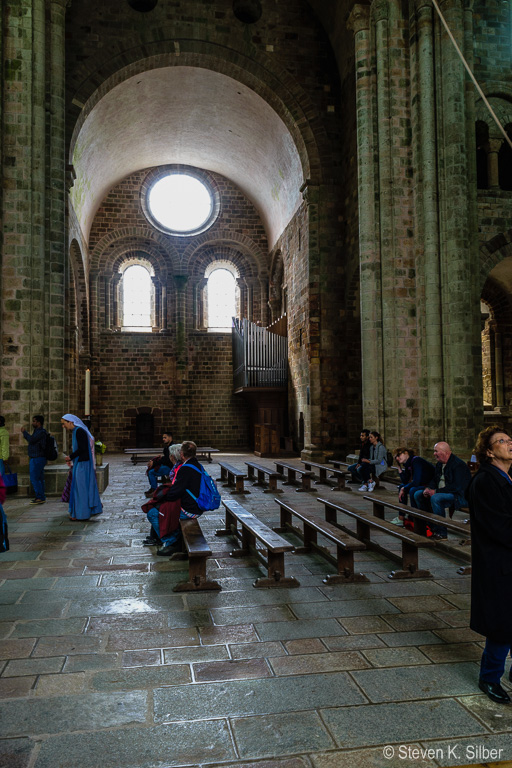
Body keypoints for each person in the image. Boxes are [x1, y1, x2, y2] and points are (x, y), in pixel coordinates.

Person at [467, 426, 512, 705]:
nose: (509, 444)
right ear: (488, 451)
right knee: (502, 624)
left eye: (510, 440)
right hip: (499, 563)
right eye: (502, 441)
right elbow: (500, 526)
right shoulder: (485, 481)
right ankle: (490, 677)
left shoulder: (506, 477)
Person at [153, 440, 204, 556]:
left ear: (181, 454)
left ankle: (172, 542)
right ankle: (173, 537)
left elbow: (175, 493)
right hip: (197, 506)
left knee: (156, 513)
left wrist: (166, 497)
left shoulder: (185, 469)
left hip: (190, 510)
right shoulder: (197, 465)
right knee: (164, 509)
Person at [412, 441, 471, 540]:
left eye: (436, 451)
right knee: (418, 494)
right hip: (443, 492)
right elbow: (435, 480)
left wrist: (435, 492)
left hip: (459, 496)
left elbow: (456, 487)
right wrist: (428, 488)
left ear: (446, 452)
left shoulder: (458, 465)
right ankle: (430, 527)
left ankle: (441, 533)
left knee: (436, 498)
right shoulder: (440, 464)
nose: (434, 454)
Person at [61, 414, 103, 520]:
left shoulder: (79, 431)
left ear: (71, 422)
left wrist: (70, 457)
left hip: (83, 464)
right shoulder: (77, 431)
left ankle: (82, 514)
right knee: (79, 488)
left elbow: (82, 449)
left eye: (64, 423)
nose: (63, 426)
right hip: (81, 462)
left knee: (81, 489)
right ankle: (80, 512)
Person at [143, 442, 183, 547]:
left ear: (172, 456)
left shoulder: (180, 469)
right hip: (181, 500)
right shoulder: (179, 467)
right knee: (155, 504)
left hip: (183, 504)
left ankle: (170, 539)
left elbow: (178, 490)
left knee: (153, 511)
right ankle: (155, 537)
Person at [390, 448, 435, 526]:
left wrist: (405, 488)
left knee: (412, 490)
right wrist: (399, 467)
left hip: (430, 486)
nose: (397, 458)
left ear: (406, 453)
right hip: (422, 485)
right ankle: (401, 517)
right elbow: (405, 481)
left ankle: (414, 518)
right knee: (402, 486)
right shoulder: (408, 464)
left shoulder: (416, 461)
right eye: (396, 457)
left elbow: (416, 481)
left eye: (399, 455)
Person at [21, 415, 47, 504]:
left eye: (34, 421)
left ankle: (39, 497)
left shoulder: (41, 432)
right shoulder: (38, 431)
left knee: (34, 478)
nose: (32, 423)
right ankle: (41, 497)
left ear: (38, 422)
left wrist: (25, 433)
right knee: (39, 478)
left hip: (37, 458)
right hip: (37, 458)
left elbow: (32, 440)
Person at [145, 431, 174, 497]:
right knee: (151, 469)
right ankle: (153, 488)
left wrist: (154, 463)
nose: (163, 439)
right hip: (167, 465)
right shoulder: (167, 447)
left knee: (151, 472)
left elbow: (167, 460)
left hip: (170, 467)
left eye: (165, 437)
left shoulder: (171, 448)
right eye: (163, 438)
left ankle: (154, 490)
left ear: (170, 438)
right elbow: (166, 458)